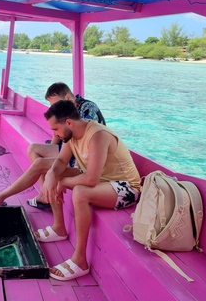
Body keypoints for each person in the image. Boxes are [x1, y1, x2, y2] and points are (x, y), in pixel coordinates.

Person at [37, 100, 140, 280]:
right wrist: (53, 176)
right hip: (105, 183)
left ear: (68, 123)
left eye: (55, 129)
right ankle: (58, 227)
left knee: (80, 192)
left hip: (127, 188)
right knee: (52, 174)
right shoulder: (71, 135)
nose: (54, 134)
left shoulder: (97, 135)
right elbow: (61, 161)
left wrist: (65, 182)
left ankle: (80, 261)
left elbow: (91, 179)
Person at [0, 82, 105, 207]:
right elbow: (59, 137)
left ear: (68, 97)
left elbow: (86, 139)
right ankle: (44, 193)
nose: (55, 110)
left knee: (40, 164)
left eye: (56, 105)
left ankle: (1, 198)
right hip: (71, 150)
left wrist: (65, 168)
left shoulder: (87, 109)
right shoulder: (67, 109)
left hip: (85, 158)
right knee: (34, 149)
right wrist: (51, 148)